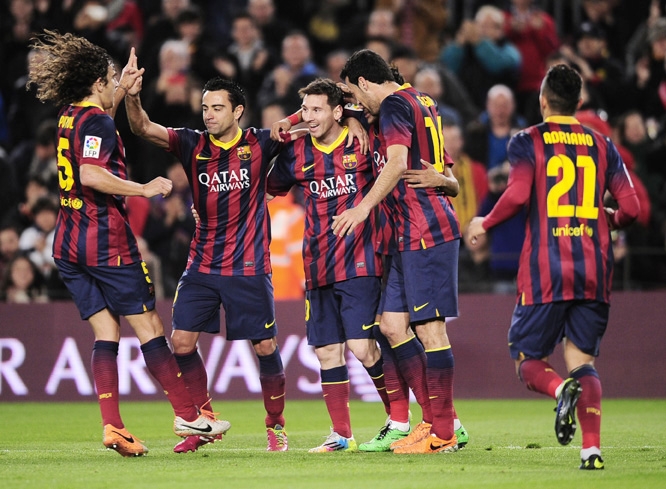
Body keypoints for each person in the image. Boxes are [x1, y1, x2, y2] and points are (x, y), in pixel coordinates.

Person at [26, 30, 230, 457]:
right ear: (96, 82)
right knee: (150, 327)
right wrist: (143, 188)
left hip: (67, 242)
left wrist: (122, 88)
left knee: (105, 331)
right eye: (111, 76)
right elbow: (91, 175)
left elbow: (97, 123)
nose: (115, 79)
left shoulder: (71, 114)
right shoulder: (97, 120)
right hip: (104, 240)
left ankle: (114, 426)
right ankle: (186, 414)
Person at [467, 64, 640, 470]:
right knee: (583, 361)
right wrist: (607, 219)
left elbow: (517, 194)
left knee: (527, 361)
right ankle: (591, 451)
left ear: (543, 100)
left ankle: (561, 389)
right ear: (579, 103)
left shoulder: (527, 140)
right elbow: (630, 208)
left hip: (546, 269)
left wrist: (485, 222)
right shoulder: (602, 144)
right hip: (594, 269)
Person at [125, 58, 289, 452]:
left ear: (237, 111)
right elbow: (142, 127)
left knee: (264, 348)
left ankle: (276, 424)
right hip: (201, 263)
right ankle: (205, 422)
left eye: (218, 108)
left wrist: (348, 123)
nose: (209, 115)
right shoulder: (191, 143)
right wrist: (131, 97)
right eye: (205, 108)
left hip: (248, 263)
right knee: (181, 342)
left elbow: (309, 130)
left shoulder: (260, 142)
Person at [334, 49, 462, 454]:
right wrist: (352, 111)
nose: (359, 103)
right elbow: (447, 174)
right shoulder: (423, 101)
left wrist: (363, 206)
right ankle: (433, 422)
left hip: (425, 229)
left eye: (357, 94)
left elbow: (398, 161)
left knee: (430, 330)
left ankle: (444, 433)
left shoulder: (392, 105)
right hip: (408, 233)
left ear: (366, 83)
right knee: (391, 326)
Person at [267, 78, 402, 453]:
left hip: (361, 259)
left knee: (361, 346)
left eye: (316, 110)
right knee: (327, 351)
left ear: (338, 111)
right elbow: (268, 189)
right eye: (305, 110)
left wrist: (358, 119)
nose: (309, 117)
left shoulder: (362, 141)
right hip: (316, 263)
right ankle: (341, 435)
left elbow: (378, 112)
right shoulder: (295, 152)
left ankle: (399, 421)